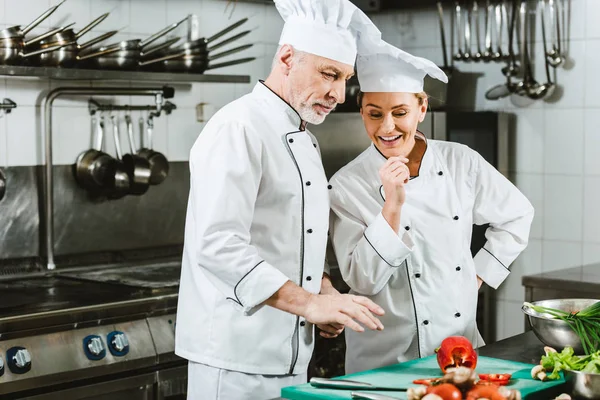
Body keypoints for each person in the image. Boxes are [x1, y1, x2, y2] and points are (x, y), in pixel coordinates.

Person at [175, 0, 385, 398]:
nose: (339, 94)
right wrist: (307, 303)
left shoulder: (304, 137)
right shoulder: (238, 127)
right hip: (235, 358)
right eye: (329, 74)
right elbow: (217, 245)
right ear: (287, 58)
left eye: (345, 79)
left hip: (290, 353)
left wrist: (322, 291)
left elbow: (288, 239)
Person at [328, 39, 535, 374]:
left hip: (458, 347)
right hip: (382, 358)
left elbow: (516, 215)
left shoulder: (460, 161)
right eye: (374, 114)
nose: (386, 128)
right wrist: (392, 205)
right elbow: (363, 280)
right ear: (362, 111)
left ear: (422, 108)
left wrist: (478, 275)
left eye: (400, 113)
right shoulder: (346, 184)